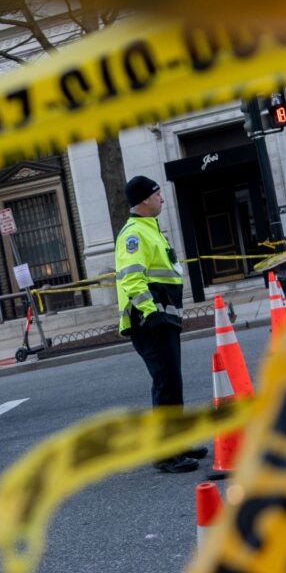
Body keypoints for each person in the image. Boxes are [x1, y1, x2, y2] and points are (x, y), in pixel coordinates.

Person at [115, 175, 207, 474]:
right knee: (166, 385)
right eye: (157, 194)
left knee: (173, 383)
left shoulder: (149, 230)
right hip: (149, 322)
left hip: (162, 318)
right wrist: (150, 312)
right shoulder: (134, 235)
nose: (162, 199)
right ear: (143, 199)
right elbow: (131, 277)